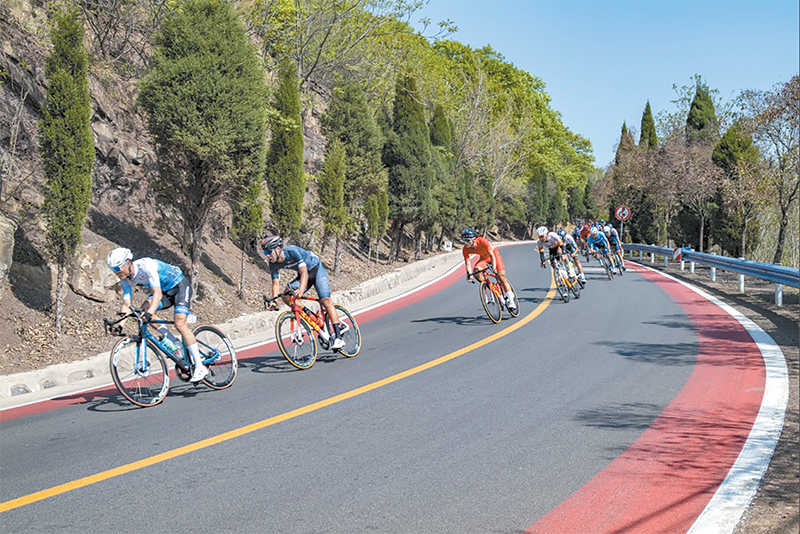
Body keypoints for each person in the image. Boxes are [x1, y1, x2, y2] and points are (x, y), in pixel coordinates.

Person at [106, 247, 208, 383]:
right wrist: (120, 325)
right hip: (165, 292)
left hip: (179, 287)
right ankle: (174, 342)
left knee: (179, 323)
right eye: (113, 270)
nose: (116, 272)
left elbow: (157, 294)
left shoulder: (146, 265)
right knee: (142, 312)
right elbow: (127, 304)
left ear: (128, 263)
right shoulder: (125, 279)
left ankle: (200, 367)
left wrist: (150, 312)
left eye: (117, 268)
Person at [261, 236, 345, 350]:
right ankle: (311, 316)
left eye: (269, 251)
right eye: (265, 252)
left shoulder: (292, 251)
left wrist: (301, 289)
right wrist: (274, 301)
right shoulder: (273, 264)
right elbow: (276, 284)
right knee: (286, 296)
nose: (267, 255)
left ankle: (339, 338)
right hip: (303, 275)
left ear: (278, 249)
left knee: (325, 300)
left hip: (315, 269)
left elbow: (304, 273)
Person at [461, 228, 516, 311]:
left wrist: (494, 267)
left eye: (467, 240)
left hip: (494, 256)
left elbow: (492, 255)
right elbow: (468, 263)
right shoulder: (465, 249)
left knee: (501, 276)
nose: (466, 243)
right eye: (464, 240)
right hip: (484, 259)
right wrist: (469, 275)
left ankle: (511, 301)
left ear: (474, 239)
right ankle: (490, 287)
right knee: (476, 271)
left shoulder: (482, 241)